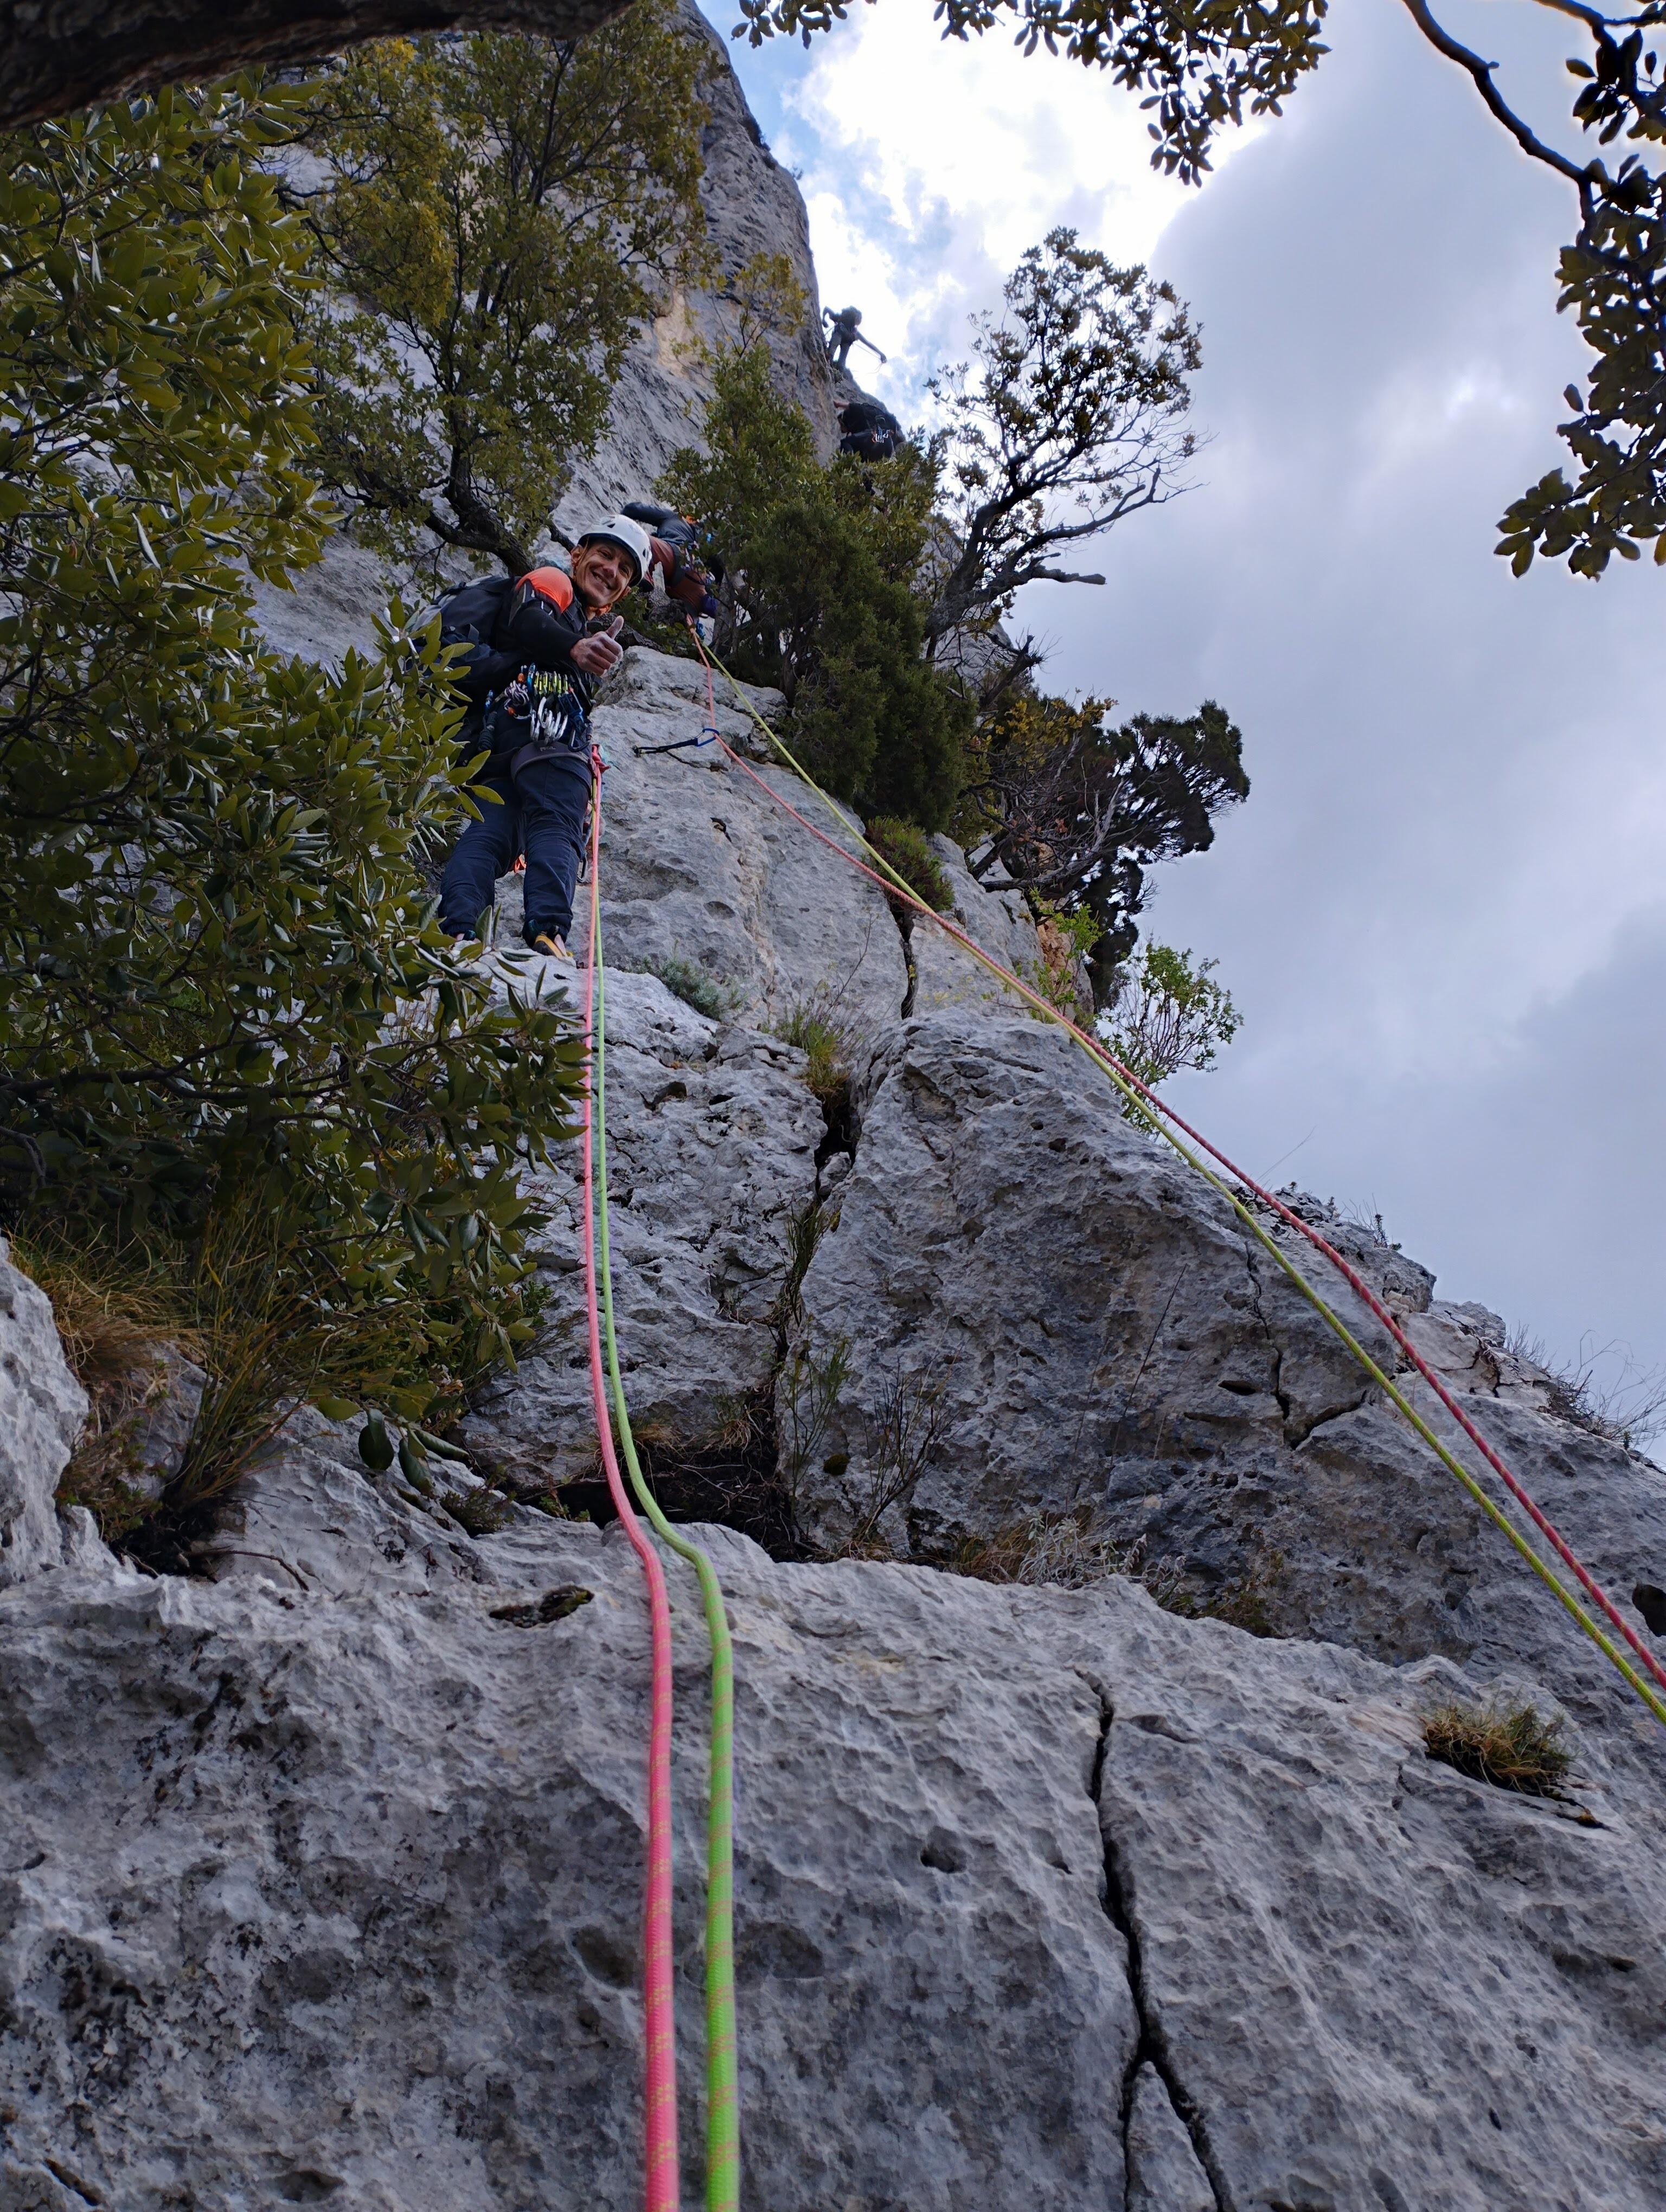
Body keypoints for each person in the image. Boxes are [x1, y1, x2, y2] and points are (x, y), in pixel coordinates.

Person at [438, 513, 652, 960]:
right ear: (577, 555)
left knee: (492, 833)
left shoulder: (574, 620)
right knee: (558, 817)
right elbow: (528, 619)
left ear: (623, 594)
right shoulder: (554, 580)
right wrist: (575, 647)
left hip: (500, 738)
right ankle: (549, 930)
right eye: (605, 555)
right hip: (545, 725)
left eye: (624, 569)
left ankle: (457, 929)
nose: (611, 570)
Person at [620, 500, 725, 619]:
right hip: (697, 588)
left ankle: (643, 584)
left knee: (639, 541)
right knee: (685, 619)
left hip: (675, 555)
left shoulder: (675, 519)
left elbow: (632, 509)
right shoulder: (714, 549)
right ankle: (685, 621)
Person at [823, 304, 886, 372]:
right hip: (844, 341)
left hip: (842, 339)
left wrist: (823, 320)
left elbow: (827, 309)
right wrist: (881, 354)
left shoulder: (842, 320)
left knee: (838, 359)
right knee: (840, 363)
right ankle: (831, 361)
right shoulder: (855, 333)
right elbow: (868, 343)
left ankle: (831, 359)